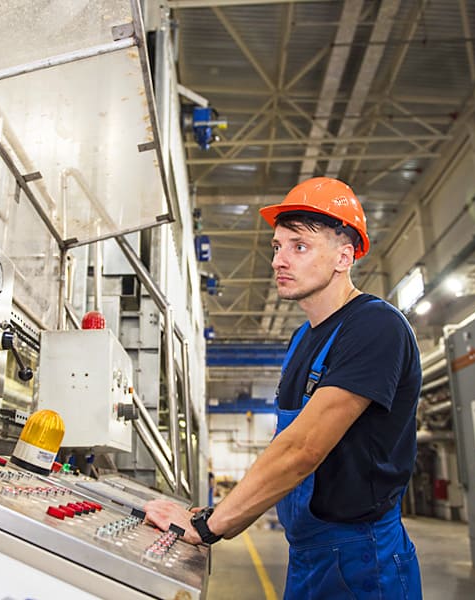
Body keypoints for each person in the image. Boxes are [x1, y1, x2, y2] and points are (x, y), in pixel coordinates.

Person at [144, 177, 423, 599]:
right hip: (308, 554)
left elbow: (303, 448)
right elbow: (284, 443)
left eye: (299, 246)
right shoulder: (301, 340)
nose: (278, 260)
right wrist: (217, 508)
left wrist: (210, 526)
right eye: (277, 247)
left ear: (344, 256)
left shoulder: (376, 326)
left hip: (364, 559)